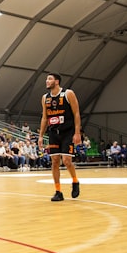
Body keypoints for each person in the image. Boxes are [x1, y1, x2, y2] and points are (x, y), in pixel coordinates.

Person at [38, 72, 82, 201]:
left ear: (57, 81)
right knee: (55, 161)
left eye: (49, 79)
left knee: (67, 161)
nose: (47, 81)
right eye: (46, 79)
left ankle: (75, 181)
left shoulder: (68, 94)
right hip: (53, 133)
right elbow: (45, 118)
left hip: (67, 132)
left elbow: (77, 113)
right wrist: (41, 136)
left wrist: (77, 132)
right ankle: (58, 191)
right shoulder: (45, 98)